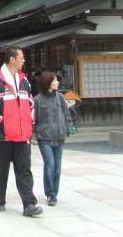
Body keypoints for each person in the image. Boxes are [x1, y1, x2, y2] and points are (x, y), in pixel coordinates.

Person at [0, 46, 42, 217]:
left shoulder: (24, 80)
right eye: (21, 57)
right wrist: (1, 125)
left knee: (24, 169)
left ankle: (28, 204)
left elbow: (31, 103)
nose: (23, 61)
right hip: (3, 135)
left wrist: (29, 122)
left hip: (23, 134)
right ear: (12, 59)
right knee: (1, 169)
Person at [34, 71, 72, 206]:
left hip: (59, 136)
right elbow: (34, 119)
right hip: (44, 138)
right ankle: (50, 194)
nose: (58, 83)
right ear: (48, 82)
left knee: (57, 168)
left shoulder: (60, 97)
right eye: (55, 80)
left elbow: (67, 115)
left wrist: (67, 128)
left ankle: (54, 193)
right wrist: (37, 133)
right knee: (50, 165)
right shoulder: (38, 99)